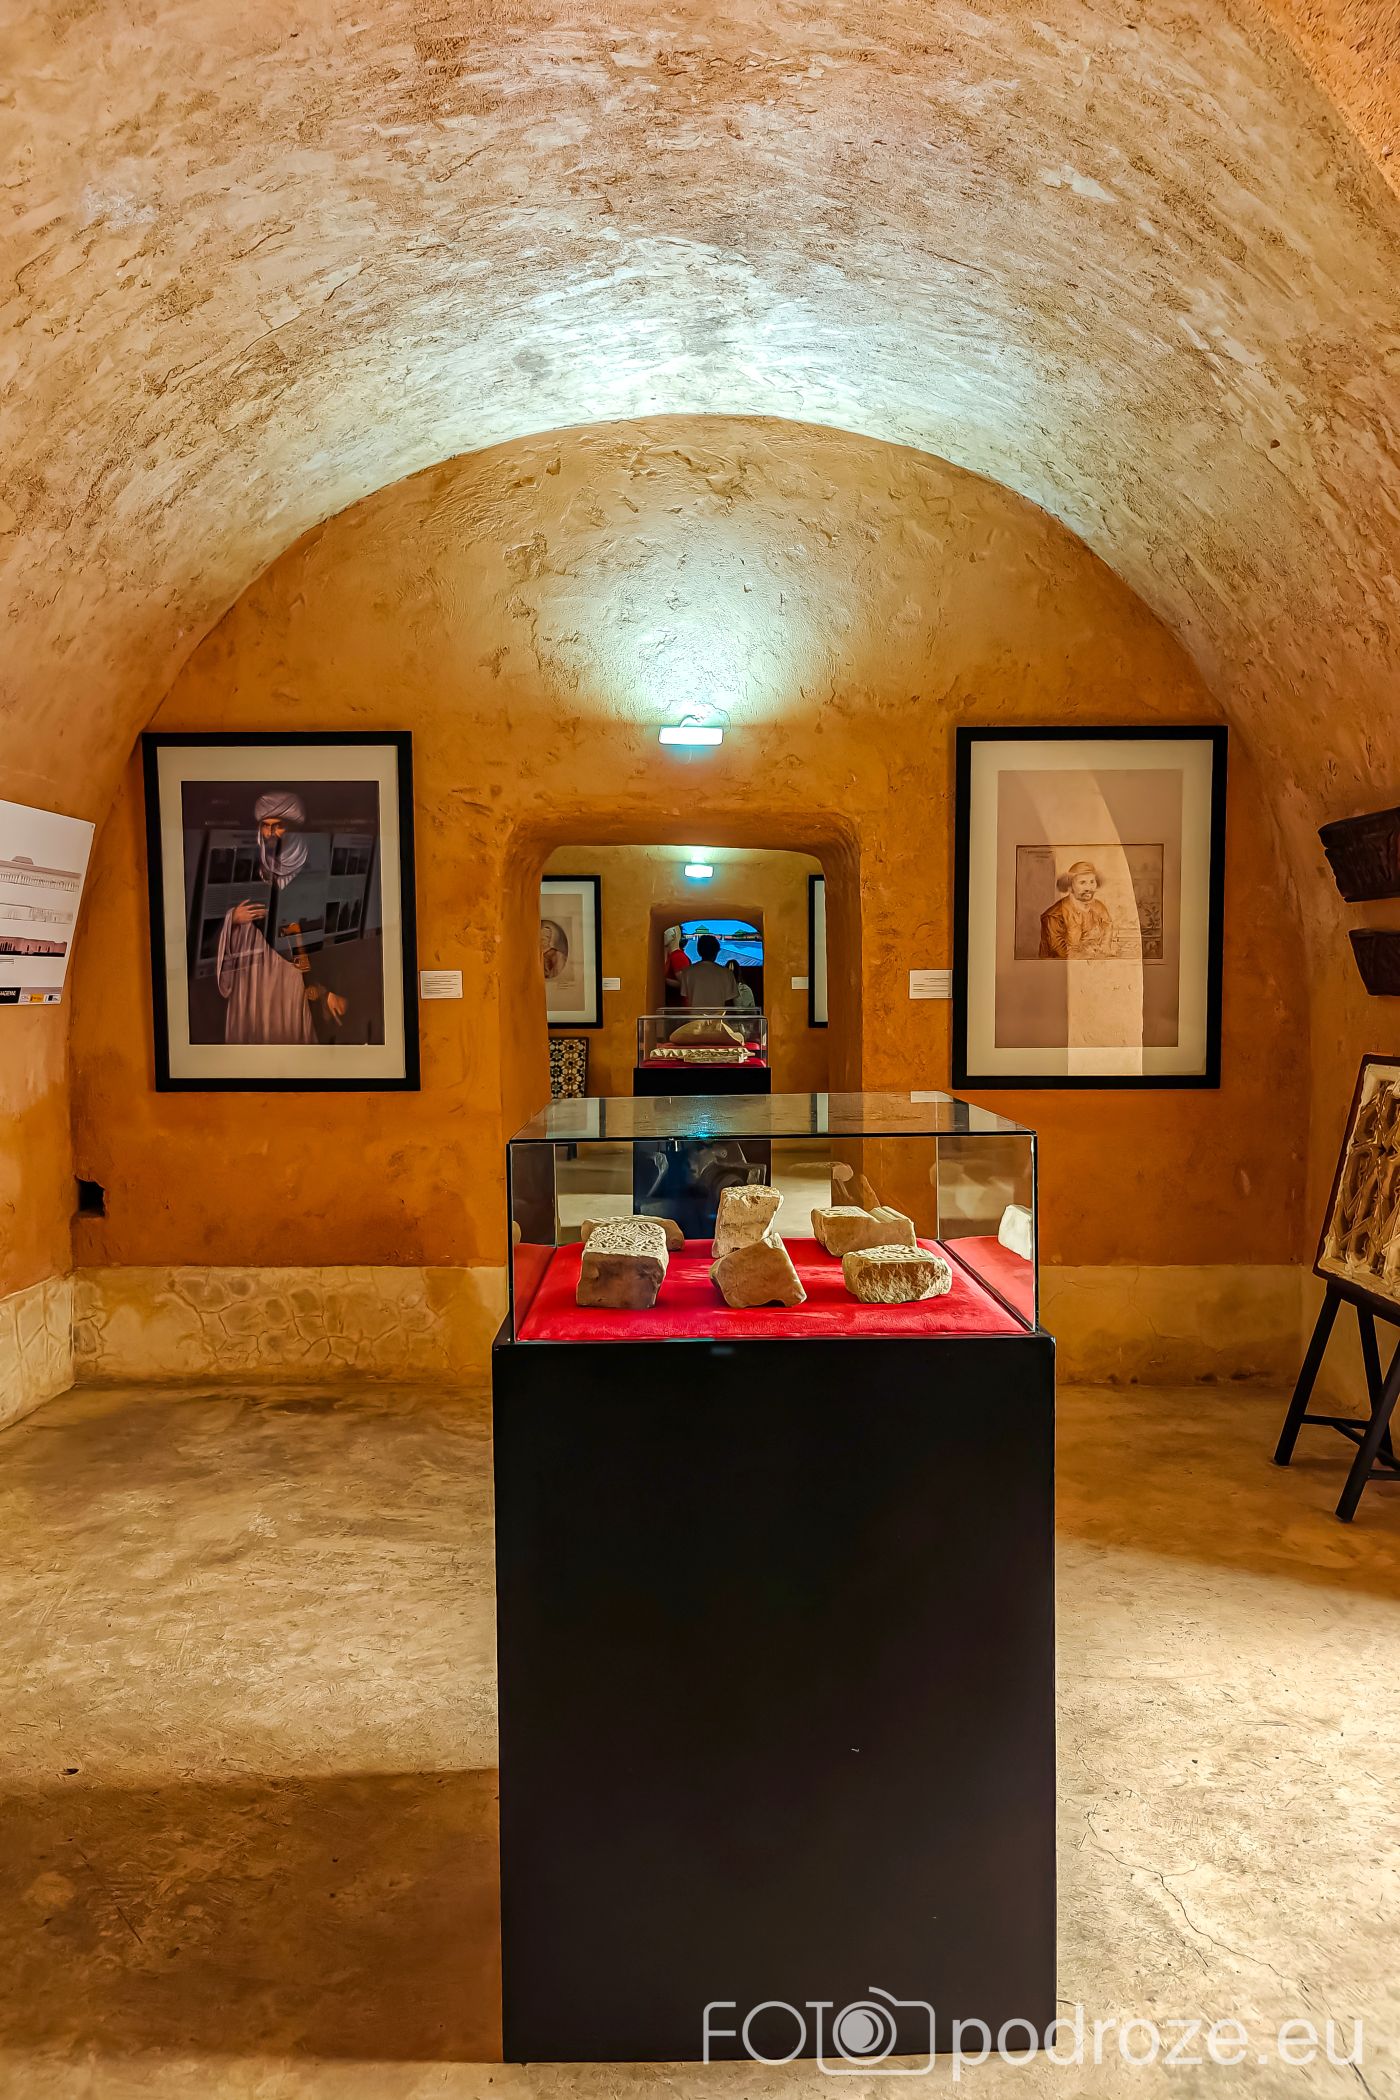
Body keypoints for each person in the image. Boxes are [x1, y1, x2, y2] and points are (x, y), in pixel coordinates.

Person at [215, 790, 371, 1044]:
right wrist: (233, 918)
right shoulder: (249, 868)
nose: (270, 833)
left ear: (294, 829)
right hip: (253, 973)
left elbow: (327, 933)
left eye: (278, 826)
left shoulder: (315, 869)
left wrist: (325, 989)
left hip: (289, 973)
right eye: (265, 826)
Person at [1038, 861, 1119, 960]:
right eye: (1082, 883)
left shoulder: (1099, 908)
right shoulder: (1054, 915)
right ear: (1070, 886)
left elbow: (1107, 928)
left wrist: (1104, 947)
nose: (1088, 888)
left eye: (1092, 882)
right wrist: (1085, 955)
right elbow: (1058, 949)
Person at [678, 932, 736, 1009]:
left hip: (695, 1016)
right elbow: (729, 1002)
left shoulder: (687, 972)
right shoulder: (727, 973)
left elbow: (686, 998)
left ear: (698, 951)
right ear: (716, 951)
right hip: (718, 1016)